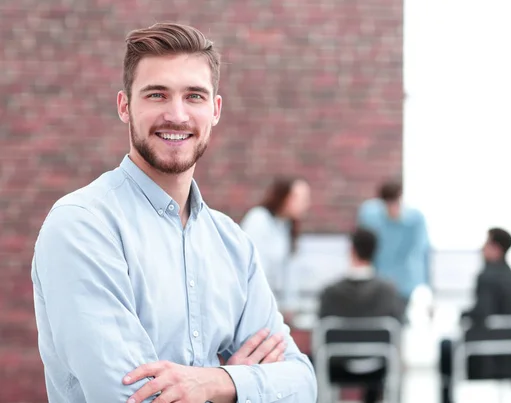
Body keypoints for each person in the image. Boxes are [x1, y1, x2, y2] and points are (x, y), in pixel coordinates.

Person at [31, 23, 316, 403]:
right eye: (157, 94)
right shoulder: (83, 226)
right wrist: (243, 384)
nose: (177, 115)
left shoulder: (232, 243)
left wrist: (215, 383)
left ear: (215, 110)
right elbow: (131, 398)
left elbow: (301, 383)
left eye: (194, 96)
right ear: (124, 106)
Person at [439, 228, 511, 403]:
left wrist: (462, 316)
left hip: (485, 360)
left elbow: (481, 315)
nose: (482, 249)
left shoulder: (486, 278)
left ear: (496, 248)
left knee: (445, 346)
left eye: (486, 244)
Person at [319, 228, 405, 403]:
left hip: (338, 364)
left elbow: (321, 328)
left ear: (351, 250)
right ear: (376, 251)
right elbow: (398, 327)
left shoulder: (330, 292)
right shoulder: (388, 291)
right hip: (379, 365)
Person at [357, 180, 431, 317]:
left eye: (396, 203)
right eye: (389, 204)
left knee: (398, 319)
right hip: (376, 285)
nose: (393, 209)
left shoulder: (414, 220)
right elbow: (363, 248)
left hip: (404, 284)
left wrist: (428, 287)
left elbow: (423, 253)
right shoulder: (370, 217)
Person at [240, 177, 311, 310]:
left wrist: (290, 306)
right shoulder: (259, 219)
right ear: (285, 197)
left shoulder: (285, 226)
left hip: (271, 304)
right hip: (252, 302)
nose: (305, 204)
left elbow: (289, 274)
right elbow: (253, 267)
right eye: (301, 199)